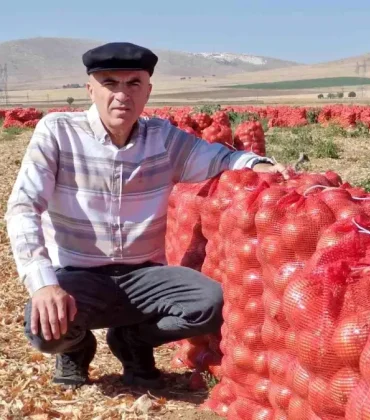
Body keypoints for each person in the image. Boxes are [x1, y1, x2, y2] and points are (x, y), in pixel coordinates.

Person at [4, 42, 288, 390]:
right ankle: (76, 347)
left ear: (147, 91)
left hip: (144, 275)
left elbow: (219, 157)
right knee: (41, 326)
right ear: (90, 89)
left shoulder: (163, 138)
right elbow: (23, 207)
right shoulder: (57, 133)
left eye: (133, 84)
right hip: (78, 275)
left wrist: (255, 163)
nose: (122, 95)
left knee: (211, 304)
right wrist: (44, 284)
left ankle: (133, 340)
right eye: (110, 83)